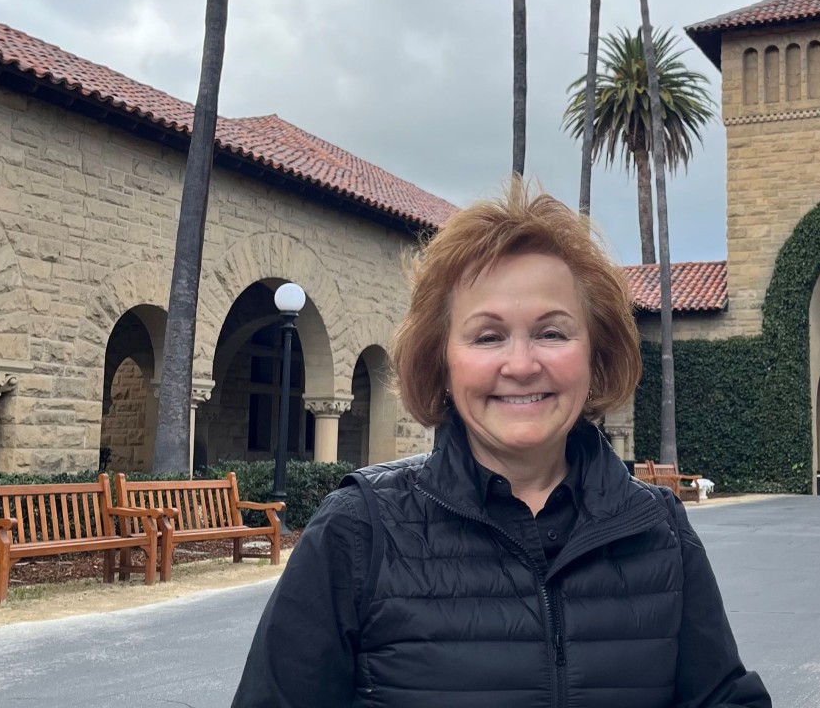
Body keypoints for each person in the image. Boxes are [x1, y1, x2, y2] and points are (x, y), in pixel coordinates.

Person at [232, 181, 771, 708]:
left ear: (595, 357)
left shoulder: (660, 529)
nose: (521, 364)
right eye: (488, 336)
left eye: (552, 332)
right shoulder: (358, 529)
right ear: (442, 361)